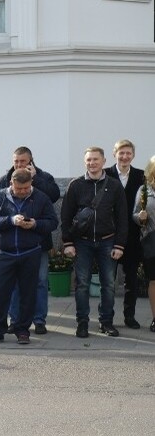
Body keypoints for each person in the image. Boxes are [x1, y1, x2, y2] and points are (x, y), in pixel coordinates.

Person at [0, 169, 59, 345]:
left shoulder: (41, 197)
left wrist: (35, 224)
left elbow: (53, 222)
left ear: (31, 183)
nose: (23, 191)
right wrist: (11, 221)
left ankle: (23, 330)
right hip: (5, 253)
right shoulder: (0, 197)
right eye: (19, 189)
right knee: (1, 293)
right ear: (11, 183)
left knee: (28, 293)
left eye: (26, 188)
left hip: (30, 252)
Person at [61, 147, 127, 338]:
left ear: (104, 161)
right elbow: (66, 216)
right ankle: (82, 323)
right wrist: (68, 243)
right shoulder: (75, 185)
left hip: (108, 241)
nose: (92, 163)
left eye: (96, 159)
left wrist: (119, 245)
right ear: (85, 162)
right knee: (82, 284)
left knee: (108, 285)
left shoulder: (114, 186)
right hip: (82, 243)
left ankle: (106, 322)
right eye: (89, 160)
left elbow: (122, 218)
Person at [0, 146, 61, 335]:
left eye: (22, 161)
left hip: (37, 242)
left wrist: (35, 179)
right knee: (14, 284)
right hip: (10, 243)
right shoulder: (4, 180)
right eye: (16, 161)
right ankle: (15, 320)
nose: (19, 164)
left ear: (31, 161)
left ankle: (39, 320)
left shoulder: (44, 177)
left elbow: (54, 196)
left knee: (40, 281)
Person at [105, 139, 146, 329]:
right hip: (109, 235)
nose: (125, 156)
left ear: (133, 155)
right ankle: (107, 317)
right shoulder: (106, 174)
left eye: (128, 153)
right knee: (108, 281)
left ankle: (129, 316)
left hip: (133, 235)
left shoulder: (141, 176)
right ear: (115, 154)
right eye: (121, 153)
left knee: (131, 280)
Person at [132, 157, 155, 332]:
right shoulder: (145, 190)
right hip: (151, 239)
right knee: (154, 281)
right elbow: (135, 214)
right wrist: (140, 218)